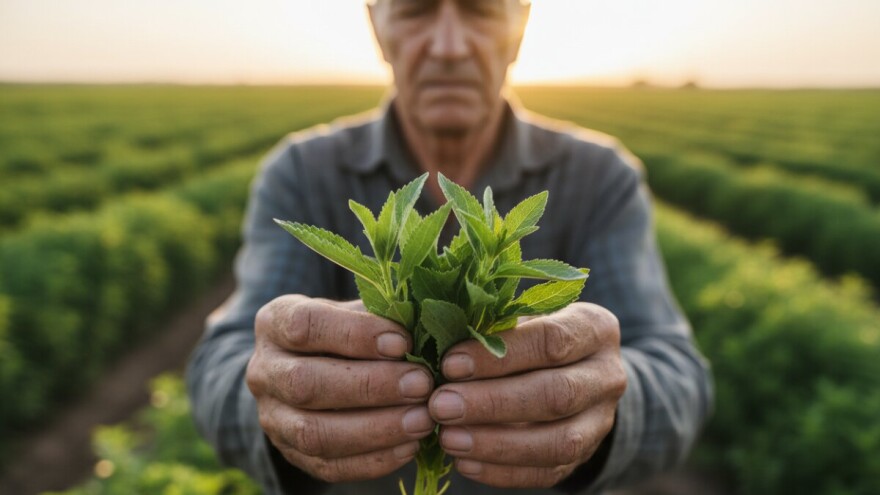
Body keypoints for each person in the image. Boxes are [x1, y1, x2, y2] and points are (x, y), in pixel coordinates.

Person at [186, 0, 714, 493]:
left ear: (520, 25)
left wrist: (603, 404)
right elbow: (222, 366)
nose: (449, 46)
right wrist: (278, 399)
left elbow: (677, 378)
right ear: (378, 26)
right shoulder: (302, 174)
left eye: (479, 8)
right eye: (416, 9)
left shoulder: (600, 178)